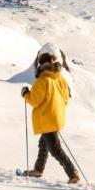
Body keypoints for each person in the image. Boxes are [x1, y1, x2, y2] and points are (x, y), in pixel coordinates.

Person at [21, 52, 80, 183]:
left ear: (41, 64)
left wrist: (25, 94)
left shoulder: (42, 80)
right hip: (57, 116)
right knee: (44, 144)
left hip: (46, 118)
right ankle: (38, 169)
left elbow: (34, 101)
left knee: (55, 149)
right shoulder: (60, 79)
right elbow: (65, 99)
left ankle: (73, 173)